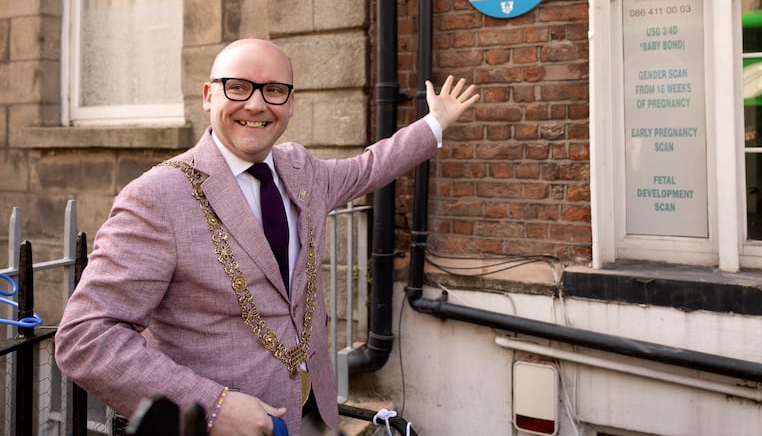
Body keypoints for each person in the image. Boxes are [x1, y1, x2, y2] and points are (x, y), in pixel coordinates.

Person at [54, 38, 479, 435]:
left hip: (312, 409)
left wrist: (435, 122)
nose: (256, 104)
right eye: (238, 87)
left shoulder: (301, 169)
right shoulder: (158, 196)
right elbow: (86, 337)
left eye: (273, 90)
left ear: (291, 103)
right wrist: (214, 407)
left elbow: (370, 166)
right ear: (208, 96)